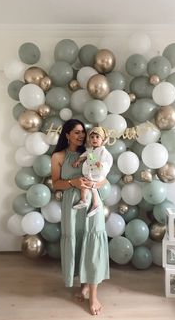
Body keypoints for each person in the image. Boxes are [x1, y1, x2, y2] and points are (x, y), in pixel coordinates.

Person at [51, 119, 110, 316]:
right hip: (72, 205)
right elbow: (56, 184)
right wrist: (73, 182)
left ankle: (93, 295)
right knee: (78, 242)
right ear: (66, 135)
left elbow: (103, 179)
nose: (81, 135)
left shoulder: (94, 151)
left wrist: (94, 186)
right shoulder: (58, 156)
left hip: (93, 203)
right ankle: (84, 285)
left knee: (92, 242)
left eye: (82, 132)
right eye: (76, 132)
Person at [72, 126, 113, 218]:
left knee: (90, 186)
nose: (94, 139)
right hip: (90, 171)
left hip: (98, 173)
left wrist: (101, 165)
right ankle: (84, 201)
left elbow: (108, 161)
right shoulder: (90, 150)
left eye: (97, 137)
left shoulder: (103, 151)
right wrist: (78, 161)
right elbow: (86, 156)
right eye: (92, 137)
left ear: (102, 139)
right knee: (85, 185)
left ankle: (93, 204)